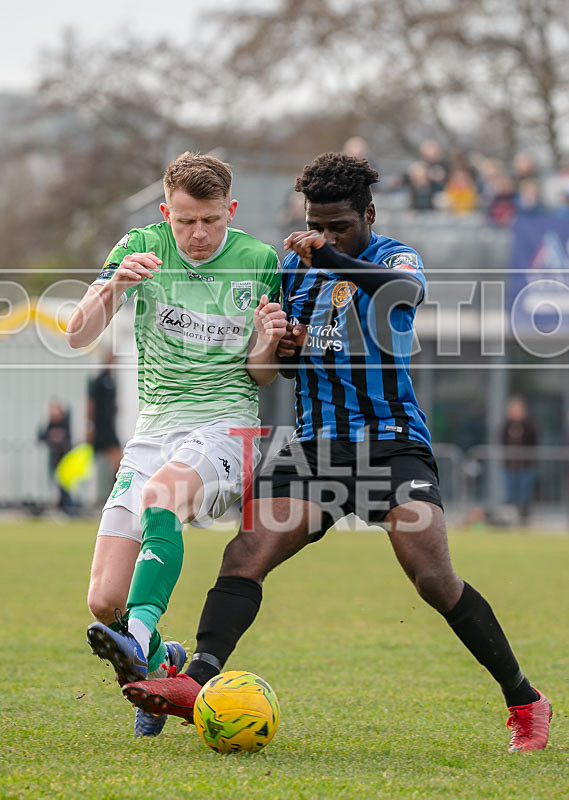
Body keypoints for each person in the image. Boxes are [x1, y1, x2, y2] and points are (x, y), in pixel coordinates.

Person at [122, 152, 552, 753]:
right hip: (316, 449)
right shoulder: (292, 272)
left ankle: (525, 700)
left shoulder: (394, 258)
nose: (322, 237)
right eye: (315, 226)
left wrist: (324, 256)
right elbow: (289, 361)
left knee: (432, 578)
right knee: (245, 554)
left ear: (368, 215)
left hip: (391, 444)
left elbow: (398, 296)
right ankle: (195, 682)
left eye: (338, 226)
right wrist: (284, 343)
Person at [65, 151, 284, 738]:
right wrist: (113, 287)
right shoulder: (140, 246)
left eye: (211, 220)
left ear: (230, 211)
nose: (198, 233)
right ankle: (161, 662)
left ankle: (136, 641)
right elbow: (78, 333)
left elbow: (263, 375)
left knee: (164, 498)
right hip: (153, 431)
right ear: (167, 212)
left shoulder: (261, 262)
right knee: (102, 601)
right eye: (185, 221)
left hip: (226, 429)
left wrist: (266, 341)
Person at [87, 352, 122, 505]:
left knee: (117, 462)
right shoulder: (99, 380)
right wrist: (90, 426)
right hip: (100, 428)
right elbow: (90, 403)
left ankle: (116, 496)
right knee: (88, 462)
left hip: (109, 427)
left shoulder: (112, 381)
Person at [501, 397, 538, 525]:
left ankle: (524, 519)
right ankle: (511, 520)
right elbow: (501, 440)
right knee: (511, 494)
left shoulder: (529, 425)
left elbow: (534, 442)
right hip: (510, 465)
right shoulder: (506, 425)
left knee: (524, 493)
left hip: (525, 465)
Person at [37, 399, 74, 514]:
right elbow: (41, 437)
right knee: (56, 482)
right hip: (54, 458)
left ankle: (69, 507)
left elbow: (68, 438)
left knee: (65, 484)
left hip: (66, 458)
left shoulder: (66, 423)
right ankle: (63, 506)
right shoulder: (50, 423)